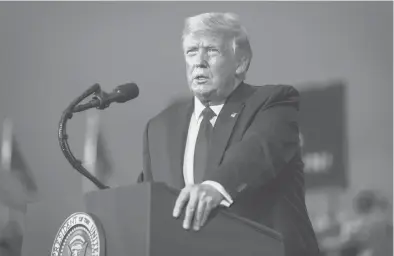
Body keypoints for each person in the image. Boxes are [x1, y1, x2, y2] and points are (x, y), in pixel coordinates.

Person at [138, 12, 320, 256]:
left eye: (211, 50)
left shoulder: (273, 103)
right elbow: (147, 201)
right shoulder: (159, 128)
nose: (198, 62)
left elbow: (258, 151)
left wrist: (215, 187)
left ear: (240, 63)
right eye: (191, 52)